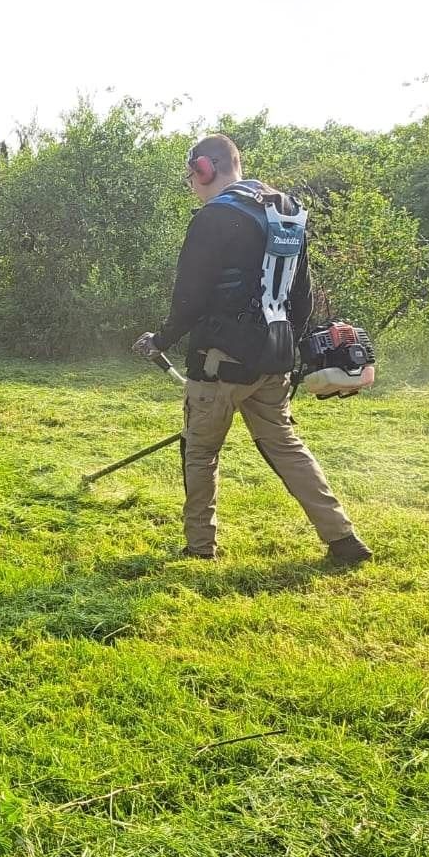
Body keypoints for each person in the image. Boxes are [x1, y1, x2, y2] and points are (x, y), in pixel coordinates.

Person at [132, 134, 371, 564]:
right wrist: (290, 350)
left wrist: (160, 340)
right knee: (285, 446)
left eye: (191, 176)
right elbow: (303, 296)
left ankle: (199, 547)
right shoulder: (287, 212)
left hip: (219, 361)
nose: (192, 185)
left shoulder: (214, 217)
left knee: (200, 450)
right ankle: (343, 539)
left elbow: (189, 296)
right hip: (272, 358)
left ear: (205, 169)